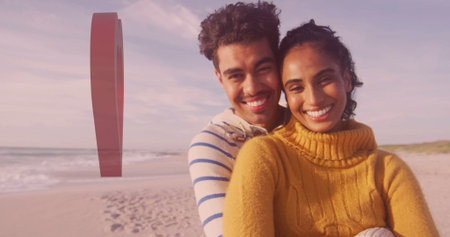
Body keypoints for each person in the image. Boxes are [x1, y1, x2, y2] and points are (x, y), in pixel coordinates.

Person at [223, 20, 439, 236]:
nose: (314, 99)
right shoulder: (265, 157)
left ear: (346, 80)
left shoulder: (387, 170)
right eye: (296, 87)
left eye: (324, 80)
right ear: (286, 96)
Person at [187, 2, 287, 237]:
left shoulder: (305, 121)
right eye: (236, 76)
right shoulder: (212, 146)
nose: (252, 88)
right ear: (220, 79)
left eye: (263, 69)